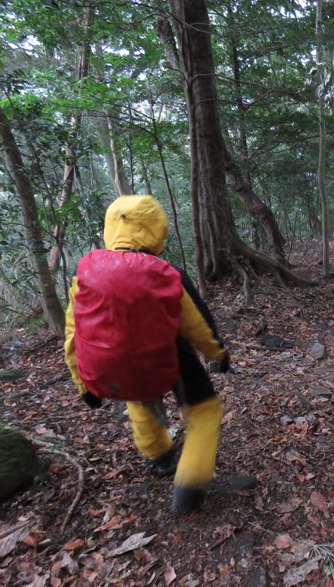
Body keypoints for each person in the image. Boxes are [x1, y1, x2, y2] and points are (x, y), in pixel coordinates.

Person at [63, 194, 230, 515]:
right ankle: (190, 483)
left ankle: (159, 456)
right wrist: (218, 355)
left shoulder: (84, 272)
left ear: (111, 227)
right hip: (164, 358)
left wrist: (83, 385)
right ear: (156, 229)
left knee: (136, 392)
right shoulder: (167, 271)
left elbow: (73, 332)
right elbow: (196, 324)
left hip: (110, 368)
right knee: (205, 409)